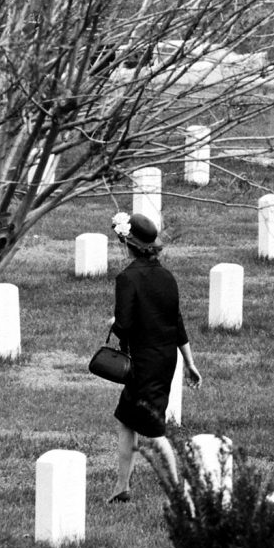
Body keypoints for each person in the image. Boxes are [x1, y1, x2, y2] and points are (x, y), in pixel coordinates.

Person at [107, 211, 202, 503]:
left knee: (153, 428)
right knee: (127, 419)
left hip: (143, 363)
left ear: (127, 244)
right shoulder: (167, 277)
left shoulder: (127, 278)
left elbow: (123, 326)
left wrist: (112, 324)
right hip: (166, 359)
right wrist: (190, 363)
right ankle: (121, 486)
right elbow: (178, 323)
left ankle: (178, 491)